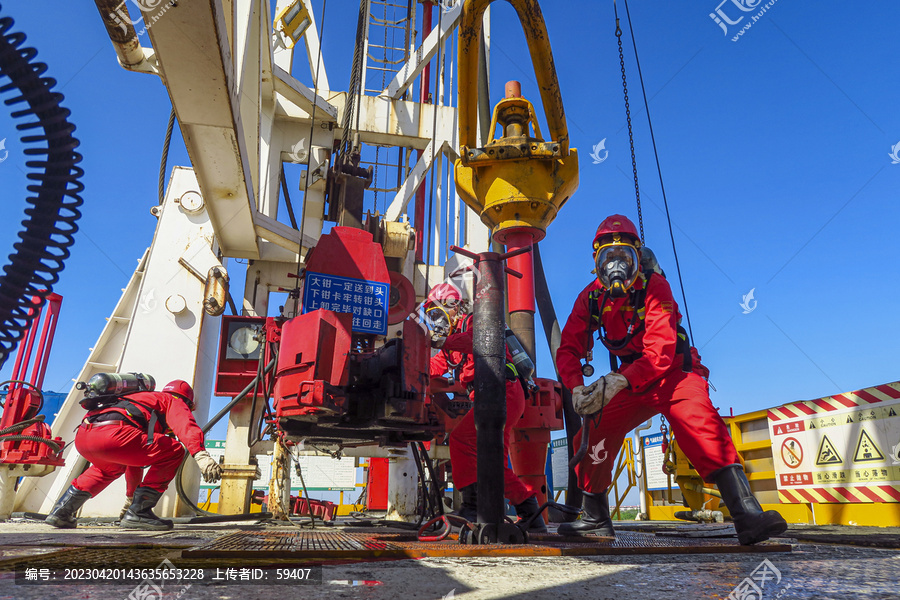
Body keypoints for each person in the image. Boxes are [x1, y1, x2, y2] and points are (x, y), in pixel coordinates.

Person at [555, 215, 787, 545]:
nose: (616, 266)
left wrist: (618, 382)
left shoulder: (654, 287)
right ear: (596, 263)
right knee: (593, 432)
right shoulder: (591, 298)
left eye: (624, 257)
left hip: (673, 373)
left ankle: (747, 515)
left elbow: (661, 350)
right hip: (633, 379)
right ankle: (595, 519)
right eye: (608, 258)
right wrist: (576, 386)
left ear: (638, 256)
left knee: (699, 422)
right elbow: (569, 348)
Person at [426, 283, 546, 533]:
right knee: (494, 461)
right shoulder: (450, 346)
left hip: (504, 392)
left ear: (453, 306)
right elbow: (431, 368)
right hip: (493, 396)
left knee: (461, 439)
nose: (436, 320)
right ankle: (531, 513)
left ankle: (472, 507)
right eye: (432, 316)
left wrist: (442, 341)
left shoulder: (475, 320)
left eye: (438, 313)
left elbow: (476, 341)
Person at [45, 380, 222, 530]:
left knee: (107, 469)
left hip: (85, 436)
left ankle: (62, 511)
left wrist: (130, 498)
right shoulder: (172, 400)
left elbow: (134, 463)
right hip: (115, 436)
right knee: (174, 450)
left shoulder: (138, 399)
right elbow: (186, 426)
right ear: (187, 402)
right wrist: (200, 454)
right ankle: (140, 513)